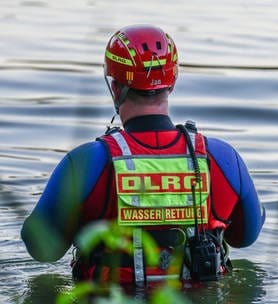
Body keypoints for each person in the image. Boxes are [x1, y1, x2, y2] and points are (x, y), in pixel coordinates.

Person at [21, 24, 265, 285]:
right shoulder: (223, 159)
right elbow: (245, 237)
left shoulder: (84, 163)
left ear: (115, 87)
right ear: (171, 84)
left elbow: (41, 250)